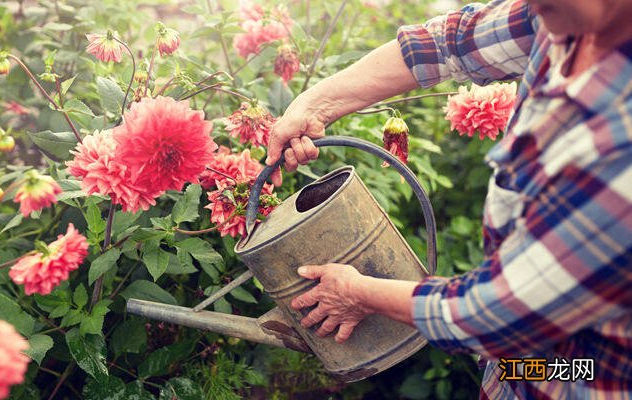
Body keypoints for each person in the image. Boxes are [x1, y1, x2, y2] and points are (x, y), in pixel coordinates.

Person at [264, 0, 632, 398]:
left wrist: (356, 292)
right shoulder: (564, 16)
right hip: (522, 365)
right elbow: (450, 42)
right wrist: (315, 104)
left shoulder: (620, 141)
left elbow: (496, 313)